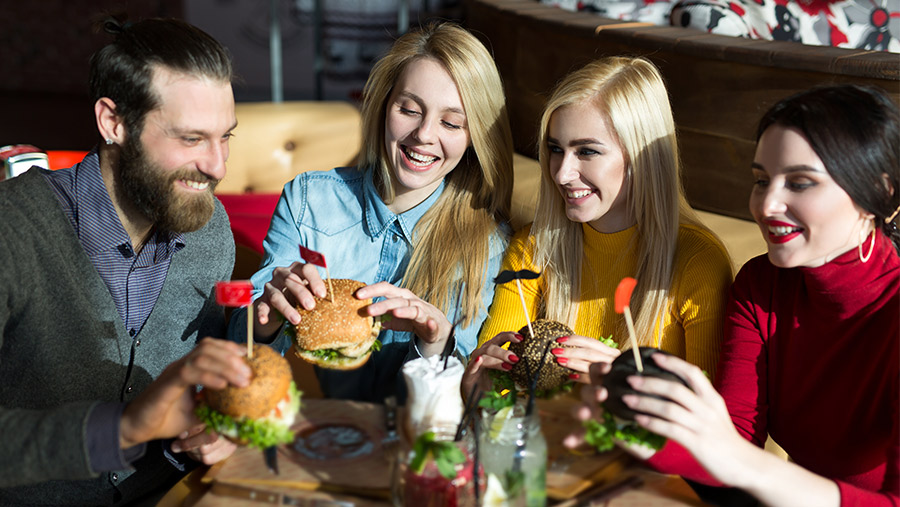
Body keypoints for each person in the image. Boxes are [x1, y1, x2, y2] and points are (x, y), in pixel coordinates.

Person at [571, 85, 899, 506]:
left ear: (881, 192)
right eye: (761, 180)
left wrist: (739, 461)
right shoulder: (761, 285)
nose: (767, 204)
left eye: (800, 183)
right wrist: (637, 423)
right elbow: (731, 445)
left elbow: (737, 459)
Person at [0, 17, 252, 505]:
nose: (218, 166)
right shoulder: (13, 231)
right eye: (191, 139)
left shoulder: (212, 229)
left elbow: (200, 390)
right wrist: (123, 429)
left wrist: (215, 423)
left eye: (226, 137)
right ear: (113, 123)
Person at [231, 22, 514, 402]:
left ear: (474, 137)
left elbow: (464, 396)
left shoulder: (489, 243)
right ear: (383, 106)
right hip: (307, 429)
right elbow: (239, 345)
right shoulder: (307, 199)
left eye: (450, 122)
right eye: (410, 109)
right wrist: (265, 315)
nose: (424, 134)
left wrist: (434, 341)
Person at [463, 56, 732, 395]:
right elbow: (493, 394)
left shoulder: (697, 262)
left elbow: (711, 421)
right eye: (555, 150)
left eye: (587, 151)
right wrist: (479, 382)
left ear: (643, 157)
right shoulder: (531, 249)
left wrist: (624, 382)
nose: (561, 173)